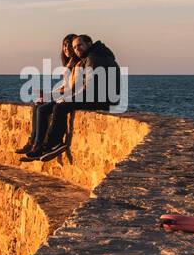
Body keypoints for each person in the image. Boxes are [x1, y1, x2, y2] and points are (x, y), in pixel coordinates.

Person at [24, 34, 123, 162]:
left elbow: (90, 88)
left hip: (103, 99)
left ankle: (51, 144)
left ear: (89, 43)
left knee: (61, 107)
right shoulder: (92, 56)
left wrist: (67, 99)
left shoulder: (93, 58)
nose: (77, 49)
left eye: (80, 45)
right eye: (75, 47)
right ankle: (46, 144)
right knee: (56, 106)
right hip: (100, 97)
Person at [17, 34, 77, 156]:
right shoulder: (69, 64)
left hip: (69, 97)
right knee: (36, 104)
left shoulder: (76, 64)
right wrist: (47, 94)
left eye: (70, 45)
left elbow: (70, 88)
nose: (67, 48)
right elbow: (64, 87)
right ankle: (33, 142)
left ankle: (39, 145)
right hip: (65, 95)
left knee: (42, 109)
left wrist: (49, 95)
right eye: (64, 45)